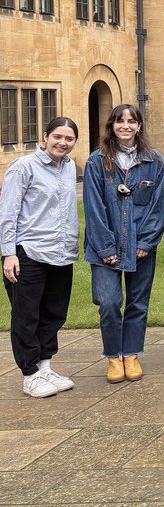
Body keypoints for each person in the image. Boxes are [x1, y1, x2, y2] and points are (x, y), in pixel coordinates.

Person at [83, 105, 164, 384]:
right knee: (108, 302)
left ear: (140, 126)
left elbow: (157, 207)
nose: (126, 126)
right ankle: (113, 357)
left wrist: (146, 242)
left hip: (140, 245)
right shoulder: (97, 161)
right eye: (121, 121)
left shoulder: (154, 161)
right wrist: (105, 248)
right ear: (112, 125)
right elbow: (93, 207)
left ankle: (130, 354)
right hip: (103, 244)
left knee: (138, 303)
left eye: (132, 121)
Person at [2, 117, 81, 398]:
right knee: (26, 316)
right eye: (57, 137)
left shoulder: (70, 167)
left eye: (69, 139)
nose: (62, 143)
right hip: (29, 253)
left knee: (54, 313)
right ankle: (29, 374)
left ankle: (45, 366)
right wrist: (8, 253)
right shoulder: (24, 168)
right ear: (45, 136)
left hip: (61, 253)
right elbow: (8, 214)